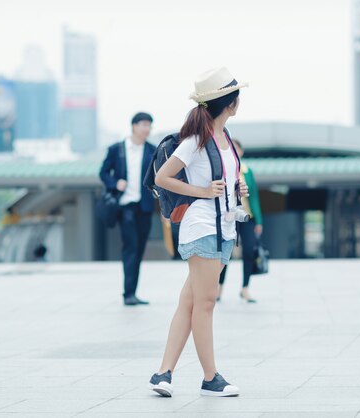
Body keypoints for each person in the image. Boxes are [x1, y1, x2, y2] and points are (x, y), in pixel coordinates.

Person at [149, 67, 249, 397]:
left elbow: (222, 180)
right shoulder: (196, 140)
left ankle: (163, 373)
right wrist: (203, 192)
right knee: (205, 303)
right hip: (202, 226)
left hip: (224, 226)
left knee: (189, 303)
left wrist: (238, 187)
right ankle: (210, 378)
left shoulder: (225, 141)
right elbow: (163, 177)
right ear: (230, 103)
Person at [99, 112, 157, 306]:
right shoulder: (117, 149)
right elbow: (103, 172)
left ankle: (132, 292)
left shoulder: (152, 150)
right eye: (143, 125)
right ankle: (128, 294)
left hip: (145, 208)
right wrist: (116, 183)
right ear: (133, 126)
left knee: (139, 249)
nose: (147, 129)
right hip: (125, 207)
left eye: (149, 125)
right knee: (131, 248)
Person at [218, 139, 263, 303]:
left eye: (237, 149)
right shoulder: (223, 170)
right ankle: (219, 288)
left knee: (250, 251)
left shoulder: (247, 171)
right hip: (228, 216)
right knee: (226, 252)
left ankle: (245, 288)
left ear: (241, 152)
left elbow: (255, 197)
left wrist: (259, 221)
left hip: (246, 216)